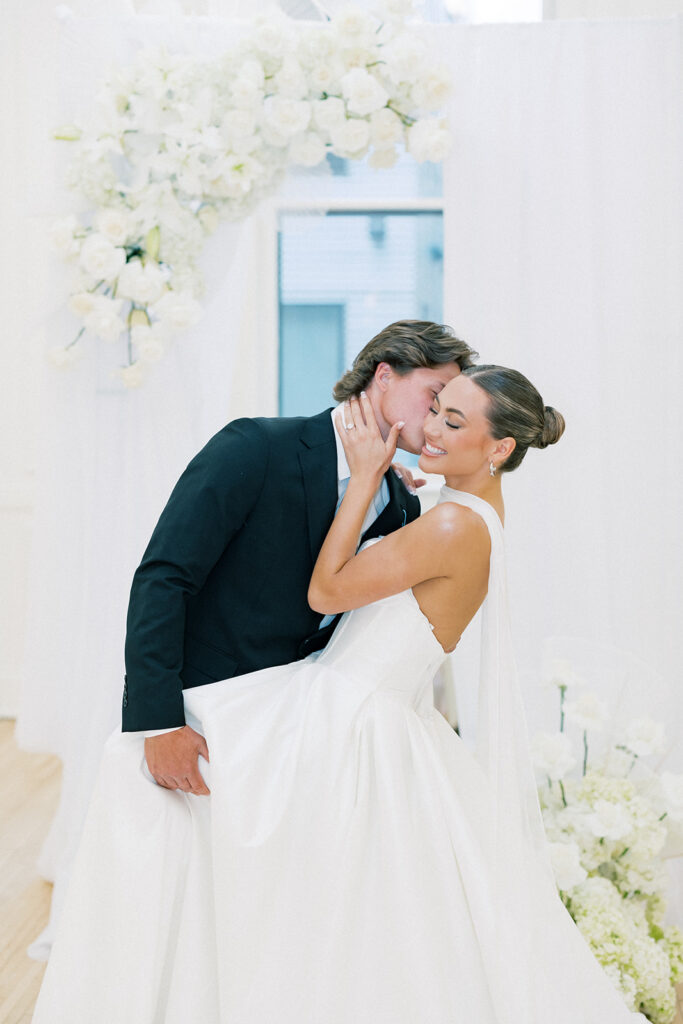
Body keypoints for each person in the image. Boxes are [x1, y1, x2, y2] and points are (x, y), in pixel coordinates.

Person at [33, 362, 649, 1023]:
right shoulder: (449, 512)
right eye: (436, 407)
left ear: (499, 448)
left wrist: (361, 484)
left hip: (345, 722)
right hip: (351, 711)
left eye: (453, 419)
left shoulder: (445, 525)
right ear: (382, 379)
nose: (432, 430)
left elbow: (327, 592)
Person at [122, 319, 475, 793]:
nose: (435, 421)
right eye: (433, 397)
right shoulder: (256, 447)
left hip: (292, 739)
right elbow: (163, 578)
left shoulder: (402, 502)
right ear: (385, 376)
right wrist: (160, 724)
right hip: (200, 716)